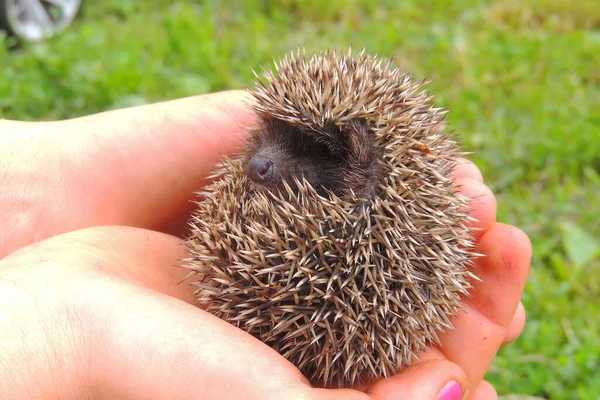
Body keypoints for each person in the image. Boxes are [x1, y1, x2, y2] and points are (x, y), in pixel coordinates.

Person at [0, 91, 530, 400]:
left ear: (361, 163)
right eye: (269, 135)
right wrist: (52, 334)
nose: (261, 161)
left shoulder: (388, 222)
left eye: (305, 149)